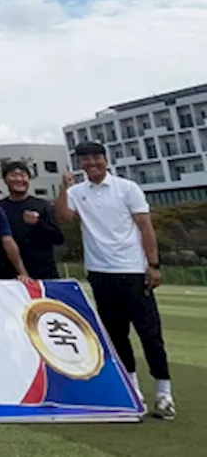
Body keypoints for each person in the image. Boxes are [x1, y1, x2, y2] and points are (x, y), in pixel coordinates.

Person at [56, 141, 174, 419]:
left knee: (150, 335)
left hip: (133, 270)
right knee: (116, 335)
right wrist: (63, 187)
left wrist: (153, 264)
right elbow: (64, 217)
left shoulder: (127, 188)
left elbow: (145, 226)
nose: (91, 163)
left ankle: (164, 393)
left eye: (96, 158)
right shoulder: (77, 192)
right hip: (100, 272)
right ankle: (132, 391)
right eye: (85, 159)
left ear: (105, 159)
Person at [0, 161, 63, 279]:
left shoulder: (43, 205)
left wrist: (38, 223)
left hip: (44, 273)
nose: (18, 179)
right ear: (5, 180)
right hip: (10, 274)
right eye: (13, 175)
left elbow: (58, 238)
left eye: (23, 175)